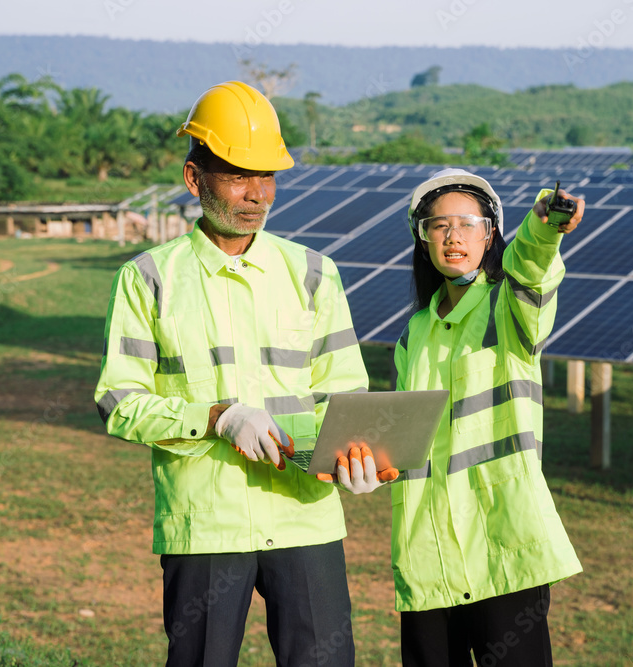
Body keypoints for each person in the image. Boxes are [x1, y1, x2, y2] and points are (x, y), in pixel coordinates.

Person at [93, 81, 374, 667]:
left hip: (305, 518)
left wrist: (352, 456)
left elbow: (346, 393)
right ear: (195, 180)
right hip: (205, 526)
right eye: (239, 175)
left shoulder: (315, 273)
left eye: (267, 176)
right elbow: (120, 401)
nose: (257, 194)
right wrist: (216, 418)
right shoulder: (148, 278)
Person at [389, 168, 586, 666]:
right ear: (422, 237)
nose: (453, 236)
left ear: (491, 233)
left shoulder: (509, 308)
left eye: (468, 223)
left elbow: (532, 267)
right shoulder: (413, 335)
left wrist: (543, 226)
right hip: (426, 552)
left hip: (503, 548)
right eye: (438, 225)